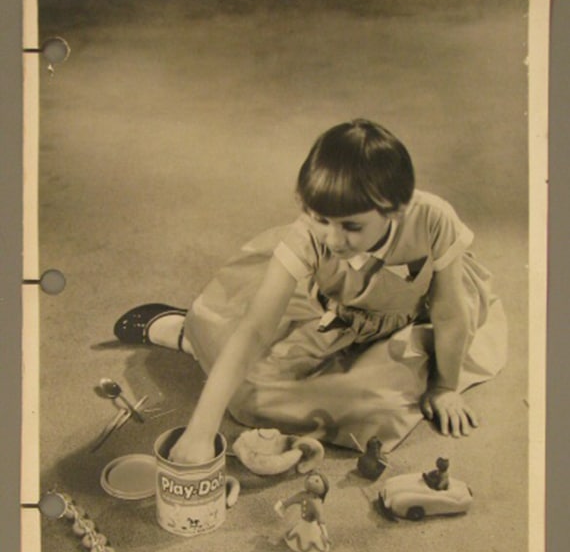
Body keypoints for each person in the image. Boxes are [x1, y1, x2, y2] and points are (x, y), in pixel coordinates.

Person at [114, 119, 507, 464]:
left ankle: (387, 374)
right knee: (251, 393)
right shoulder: (308, 237)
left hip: (415, 317)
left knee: (379, 413)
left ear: (395, 210)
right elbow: (255, 330)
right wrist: (199, 432)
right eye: (321, 220)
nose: (334, 239)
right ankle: (190, 335)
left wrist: (444, 387)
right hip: (335, 312)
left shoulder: (433, 217)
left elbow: (449, 313)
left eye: (351, 226)